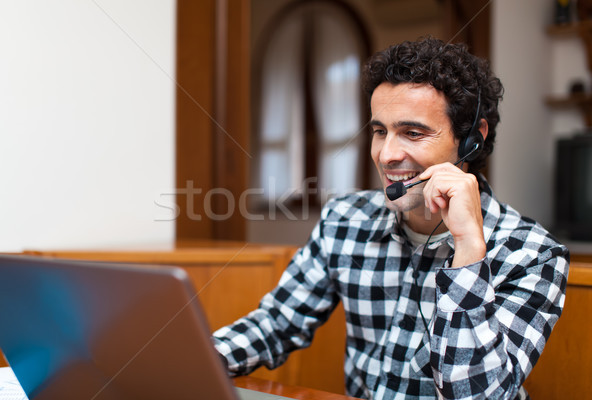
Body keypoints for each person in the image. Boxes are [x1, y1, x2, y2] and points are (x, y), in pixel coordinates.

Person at [213, 37, 569, 399]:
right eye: (379, 131)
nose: (386, 155)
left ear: (471, 141)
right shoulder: (345, 221)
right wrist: (187, 358)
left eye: (413, 133)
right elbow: (277, 324)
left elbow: (479, 396)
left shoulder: (532, 255)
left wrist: (468, 252)